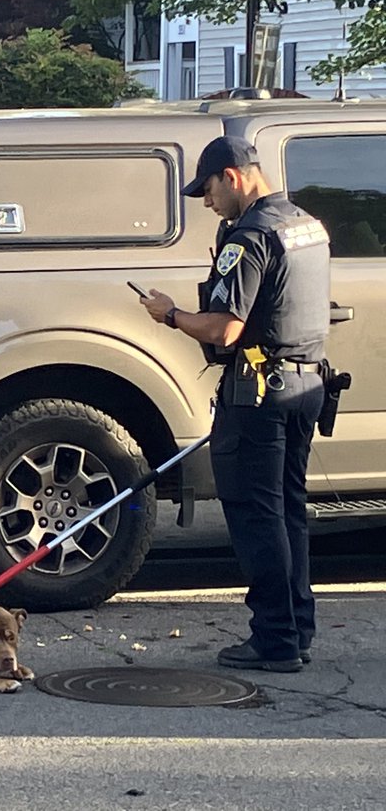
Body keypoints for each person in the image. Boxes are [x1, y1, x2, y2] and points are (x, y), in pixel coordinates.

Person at [142, 135, 330, 673]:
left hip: (258, 395)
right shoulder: (306, 226)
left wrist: (171, 315)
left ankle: (274, 639)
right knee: (289, 510)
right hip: (305, 386)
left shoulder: (248, 239)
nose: (207, 203)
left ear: (234, 175)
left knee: (255, 515)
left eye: (208, 190)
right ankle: (296, 628)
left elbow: (225, 329)